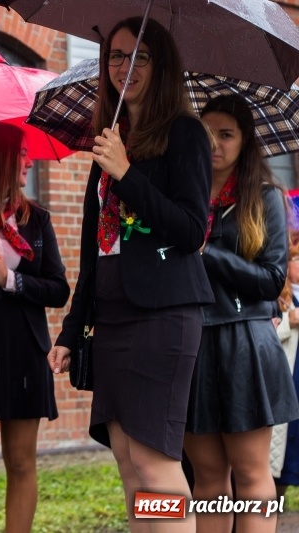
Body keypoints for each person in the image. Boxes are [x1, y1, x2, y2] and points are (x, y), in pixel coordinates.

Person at [47, 17, 214, 533]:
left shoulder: (185, 135)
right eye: (116, 57)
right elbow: (93, 253)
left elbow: (190, 230)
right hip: (114, 318)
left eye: (138, 56)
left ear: (160, 65)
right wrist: (73, 332)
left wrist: (126, 173)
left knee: (154, 460)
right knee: (125, 457)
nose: (124, 67)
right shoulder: (109, 144)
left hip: (163, 315)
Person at [184, 94, 299, 533]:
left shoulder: (265, 197)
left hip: (245, 341)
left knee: (253, 476)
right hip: (193, 339)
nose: (215, 143)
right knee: (207, 478)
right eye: (207, 133)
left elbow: (271, 281)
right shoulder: (183, 197)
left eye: (226, 134)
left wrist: (206, 251)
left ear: (245, 140)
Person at [0, 122, 69, 532]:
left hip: (23, 351)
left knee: (22, 461)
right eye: (22, 152)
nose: (30, 160)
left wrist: (10, 280)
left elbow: (59, 289)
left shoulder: (36, 219)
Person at [273, 234, 299, 498]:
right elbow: (263, 333)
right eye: (296, 259)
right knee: (277, 467)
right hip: (287, 388)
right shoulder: (278, 296)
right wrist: (288, 323)